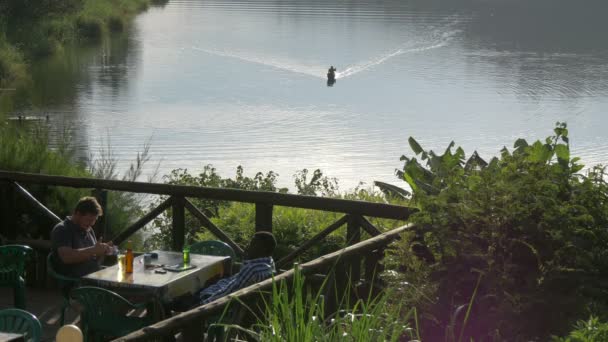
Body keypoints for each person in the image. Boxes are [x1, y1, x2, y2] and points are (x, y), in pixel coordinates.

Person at [171, 231, 276, 311]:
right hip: (216, 289)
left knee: (169, 303)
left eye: (253, 244)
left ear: (263, 249)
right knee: (183, 294)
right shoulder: (269, 263)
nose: (248, 246)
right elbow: (236, 283)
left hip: (212, 301)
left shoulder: (251, 270)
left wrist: (199, 306)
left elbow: (228, 293)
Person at [51, 197, 112, 277]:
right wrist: (93, 250)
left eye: (94, 220)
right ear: (77, 214)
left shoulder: (88, 229)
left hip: (92, 276)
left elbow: (93, 259)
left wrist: (102, 252)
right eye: (89, 220)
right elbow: (66, 257)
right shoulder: (62, 229)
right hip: (73, 280)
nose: (92, 224)